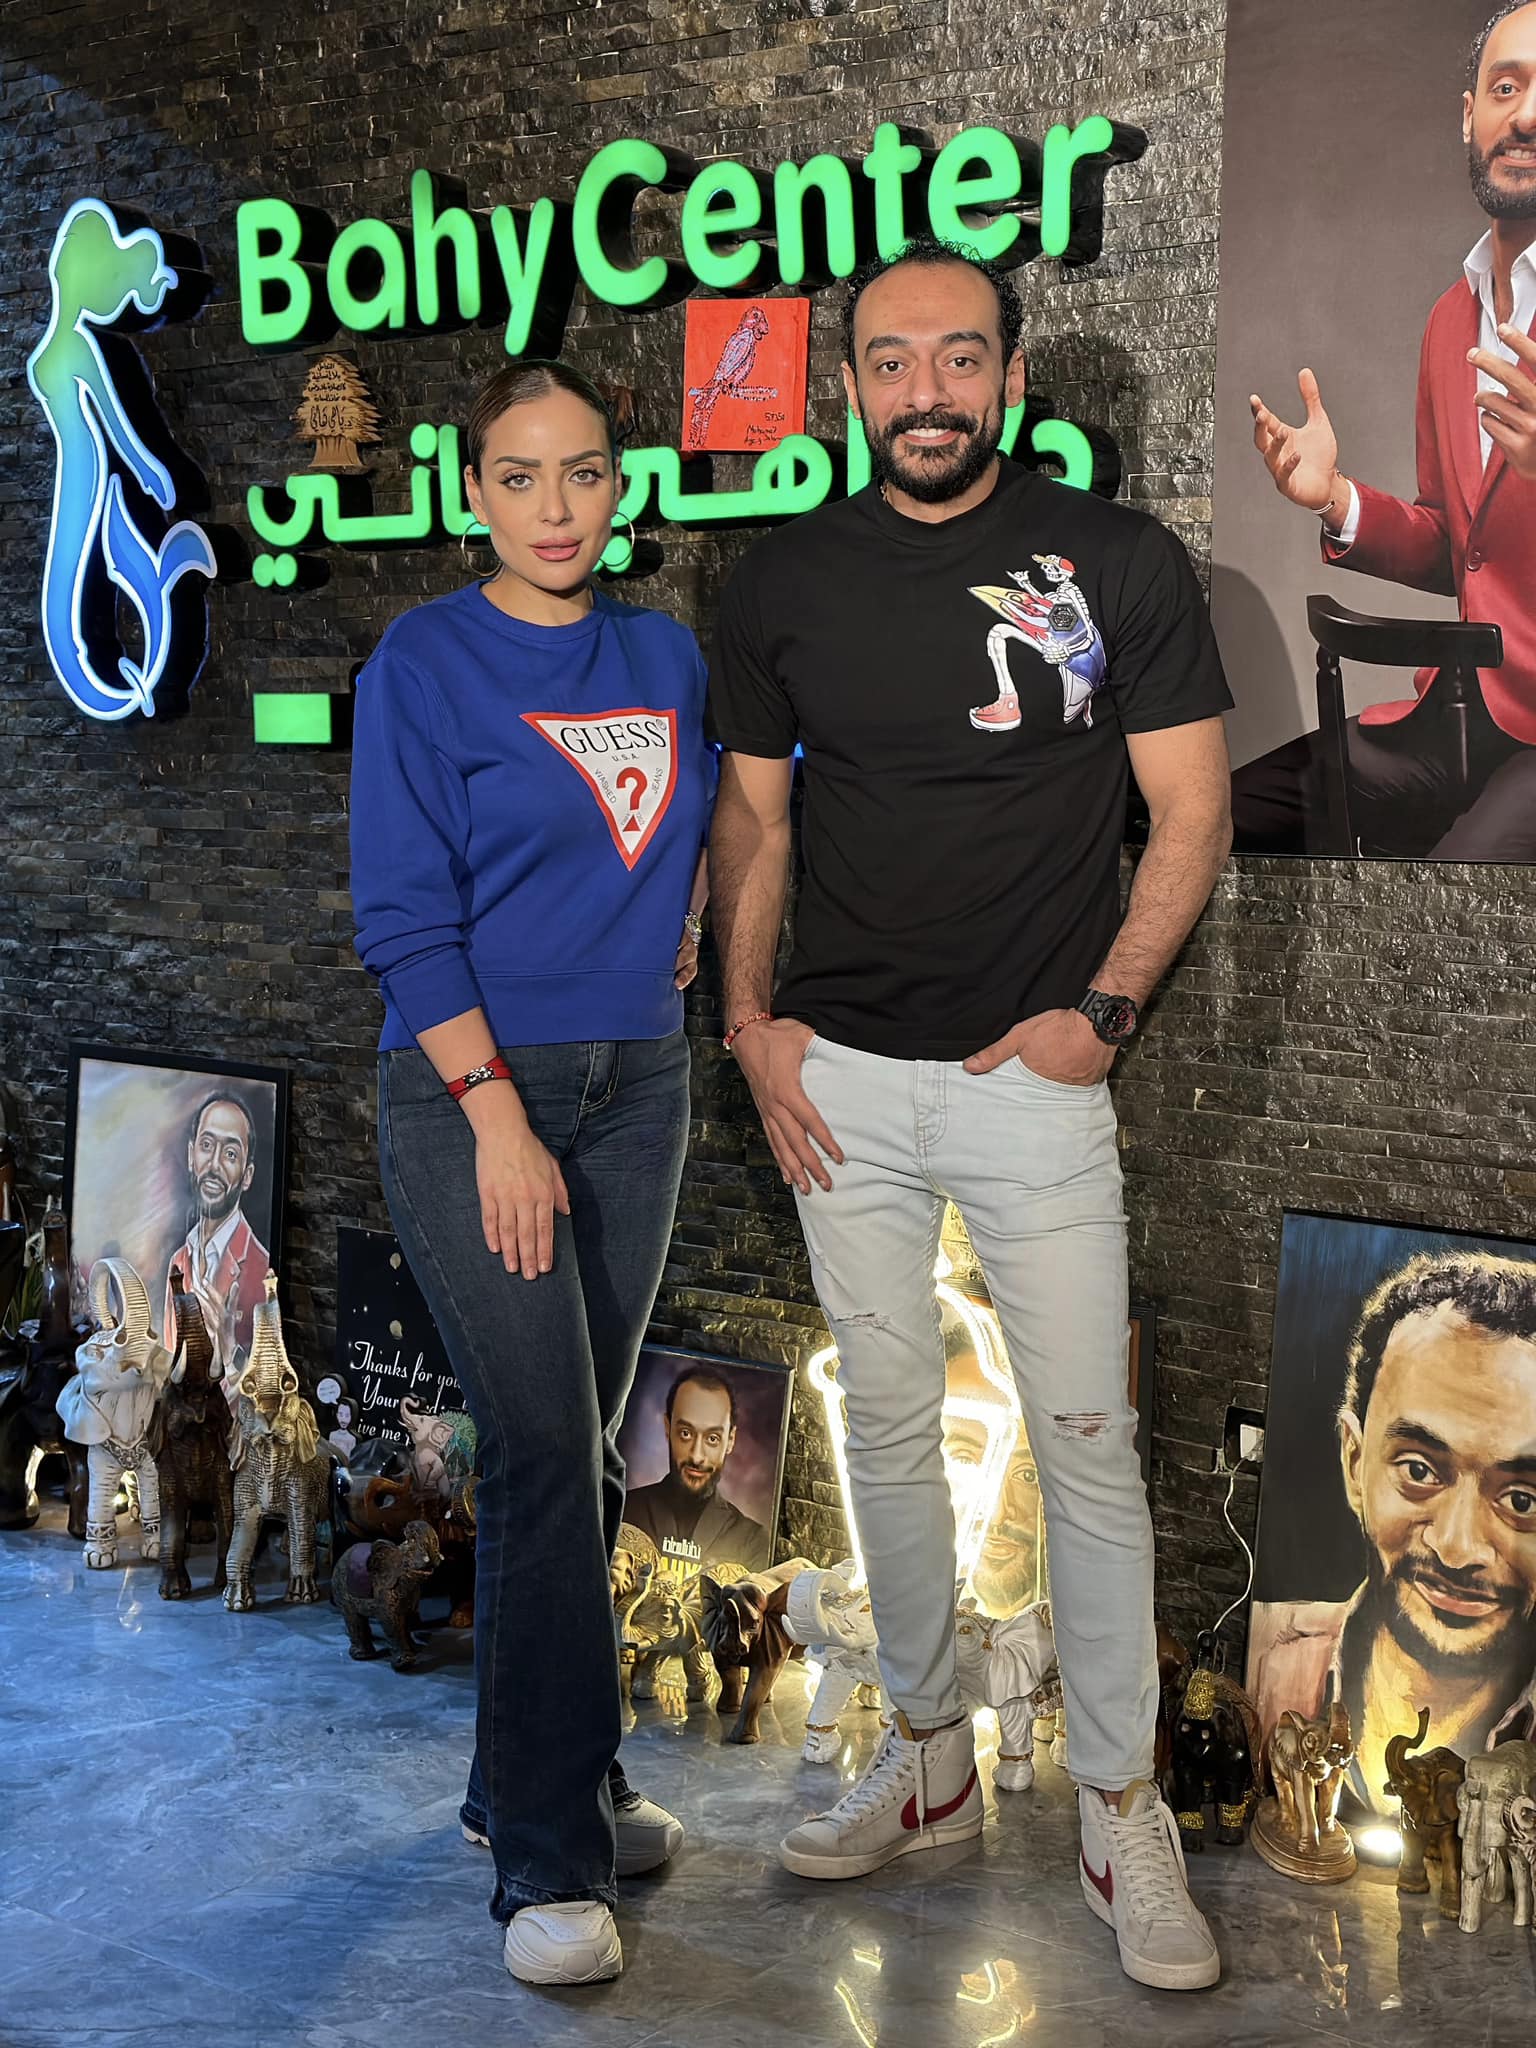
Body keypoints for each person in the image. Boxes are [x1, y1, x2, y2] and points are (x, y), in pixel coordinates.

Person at [706, 233, 1234, 1993]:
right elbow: (755, 821)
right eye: (889, 360)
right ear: (850, 385)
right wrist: (750, 1028)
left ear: (1012, 377)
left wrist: (1104, 1016)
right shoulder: (781, 580)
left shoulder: (1121, 562)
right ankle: (928, 1757)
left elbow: (1188, 812)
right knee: (883, 1439)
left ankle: (1120, 1806)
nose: (924, 391)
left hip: (1035, 1087)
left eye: (957, 358)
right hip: (840, 1089)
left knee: (1087, 1447)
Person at [350, 359, 711, 1989]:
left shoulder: (666, 655)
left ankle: (536, 1778)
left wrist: (688, 921)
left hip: (641, 1087)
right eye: (519, 475)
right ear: (472, 491)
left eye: (582, 473)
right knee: (553, 1452)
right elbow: (400, 914)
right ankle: (550, 1862)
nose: (554, 508)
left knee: (582, 1452)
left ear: (618, 488)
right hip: (472, 1092)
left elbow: (694, 825)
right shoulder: (424, 661)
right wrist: (497, 1114)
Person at [1237, 1, 1536, 859]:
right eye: (1505, 88)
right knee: (1204, 820)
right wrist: (1337, 501)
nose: (1525, 116)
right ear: (1469, 116)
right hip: (1455, 715)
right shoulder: (1451, 319)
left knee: (1448, 907)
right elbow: (1459, 550)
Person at [1248, 1250, 1536, 1815]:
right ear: (1354, 1462)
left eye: (1522, 1500)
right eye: (1419, 1471)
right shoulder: (1268, 1662)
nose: (1456, 1548)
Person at [623, 1365, 771, 1570]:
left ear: (730, 1440)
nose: (697, 1456)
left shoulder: (752, 1541)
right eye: (686, 1433)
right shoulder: (622, 1510)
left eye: (712, 1438)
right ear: (667, 1428)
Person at [164, 1093, 269, 1380]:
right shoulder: (178, 1262)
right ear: (191, 1156)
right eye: (207, 1146)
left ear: (247, 1176)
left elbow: (266, 1390)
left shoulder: (263, 1273)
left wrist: (230, 1349)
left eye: (230, 1154)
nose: (213, 1165)